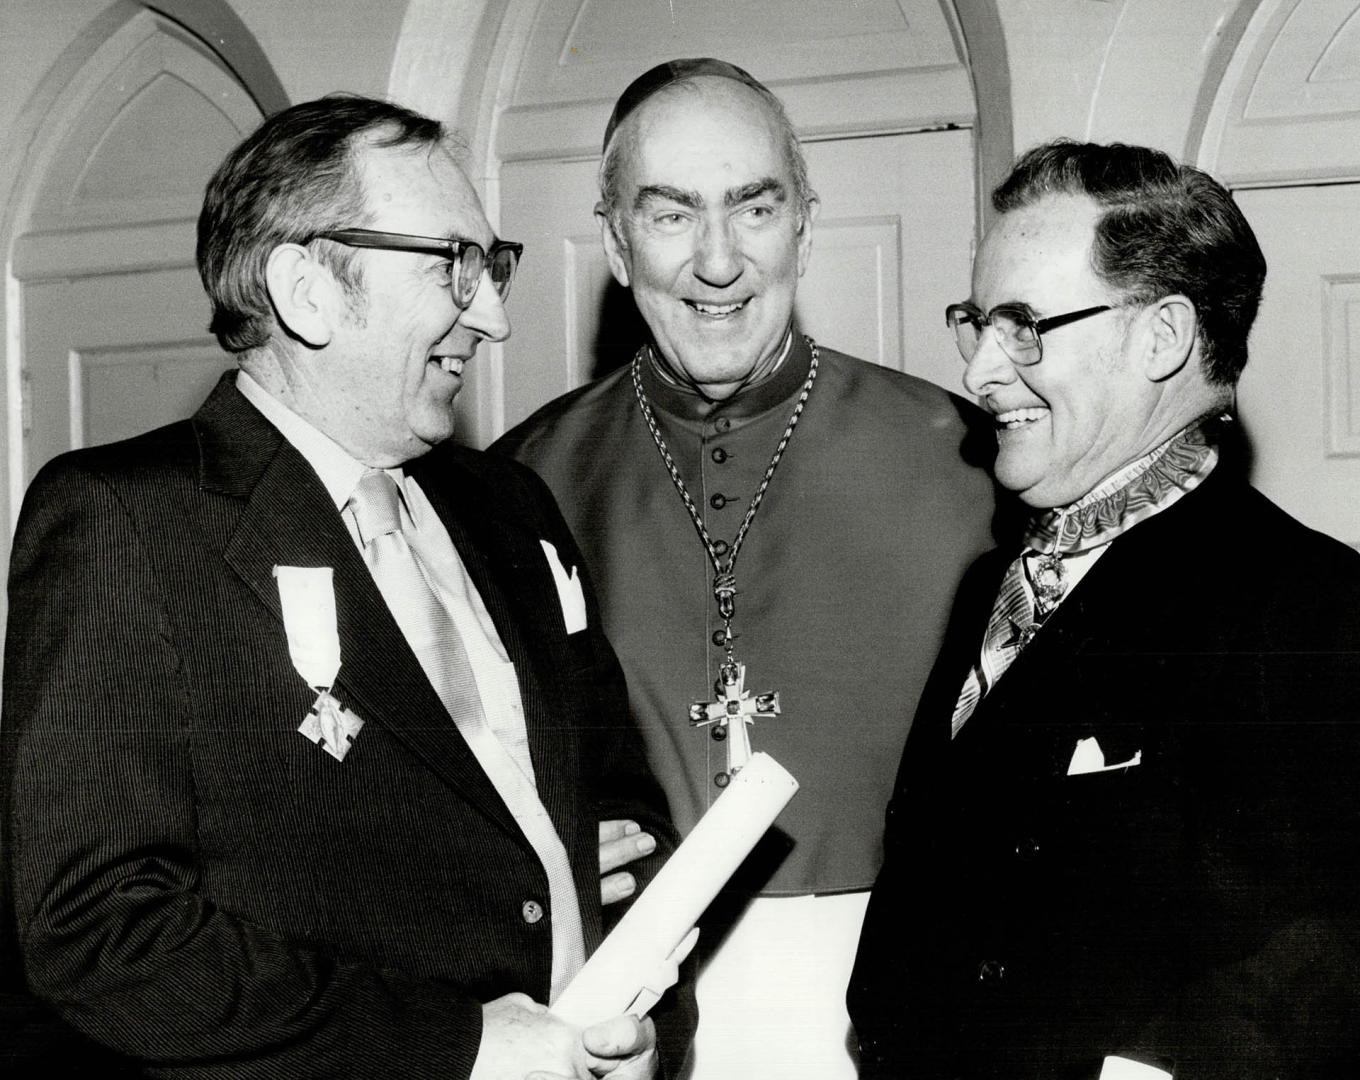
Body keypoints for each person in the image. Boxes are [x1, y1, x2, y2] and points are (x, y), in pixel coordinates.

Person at [0, 94, 688, 1079]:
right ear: (308, 289)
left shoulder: (510, 507)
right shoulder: (129, 524)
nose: (490, 316)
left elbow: (621, 805)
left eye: (493, 267)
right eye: (452, 265)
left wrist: (637, 1025)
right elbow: (101, 934)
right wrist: (462, 1047)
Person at [492, 59, 997, 1079]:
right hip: (616, 1011)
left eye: (754, 208)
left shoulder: (970, 462)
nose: (717, 262)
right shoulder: (517, 483)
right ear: (616, 240)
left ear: (802, 223)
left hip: (911, 999)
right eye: (671, 214)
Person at [849, 140, 1360, 1079]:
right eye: (977, 324)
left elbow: (1310, 998)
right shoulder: (992, 586)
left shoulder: (1313, 613)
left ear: (1162, 337)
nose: (980, 374)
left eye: (1024, 326)